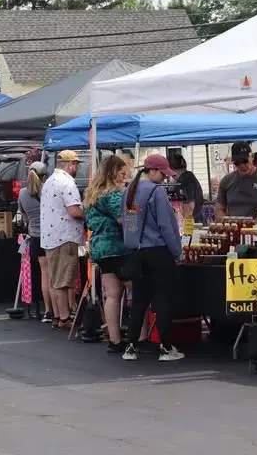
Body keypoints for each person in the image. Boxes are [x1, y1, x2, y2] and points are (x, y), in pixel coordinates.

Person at [121, 154, 185, 362]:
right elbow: (167, 226)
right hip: (158, 251)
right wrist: (177, 251)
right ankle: (166, 348)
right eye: (162, 173)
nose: (165, 178)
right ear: (152, 171)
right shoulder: (156, 193)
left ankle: (130, 346)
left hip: (137, 252)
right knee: (162, 299)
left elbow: (127, 223)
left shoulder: (129, 190)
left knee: (139, 300)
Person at [85, 155, 137, 352]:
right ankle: (138, 337)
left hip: (100, 249)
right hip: (119, 247)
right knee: (136, 290)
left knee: (112, 295)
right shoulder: (114, 195)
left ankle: (114, 340)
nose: (125, 176)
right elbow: (125, 220)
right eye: (122, 172)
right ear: (114, 172)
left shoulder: (92, 194)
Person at [40, 150, 85, 330]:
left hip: (50, 236)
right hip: (65, 235)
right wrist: (87, 214)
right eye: (76, 165)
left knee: (55, 278)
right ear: (71, 165)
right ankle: (64, 317)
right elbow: (74, 211)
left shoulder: (49, 181)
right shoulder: (67, 182)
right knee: (64, 279)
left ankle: (59, 315)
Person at [17, 161, 52, 322]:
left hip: (34, 236)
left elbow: (23, 215)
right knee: (53, 275)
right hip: (50, 235)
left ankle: (48, 310)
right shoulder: (47, 190)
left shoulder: (22, 193)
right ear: (44, 176)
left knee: (43, 273)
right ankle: (57, 310)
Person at [216, 142, 257, 219]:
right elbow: (219, 208)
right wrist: (224, 222)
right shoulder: (226, 180)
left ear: (252, 157)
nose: (242, 165)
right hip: (234, 228)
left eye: (244, 161)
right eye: (237, 163)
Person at [168, 152, 205, 224]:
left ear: (170, 168)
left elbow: (189, 207)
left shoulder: (184, 181)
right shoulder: (189, 177)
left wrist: (184, 226)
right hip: (195, 220)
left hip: (191, 223)